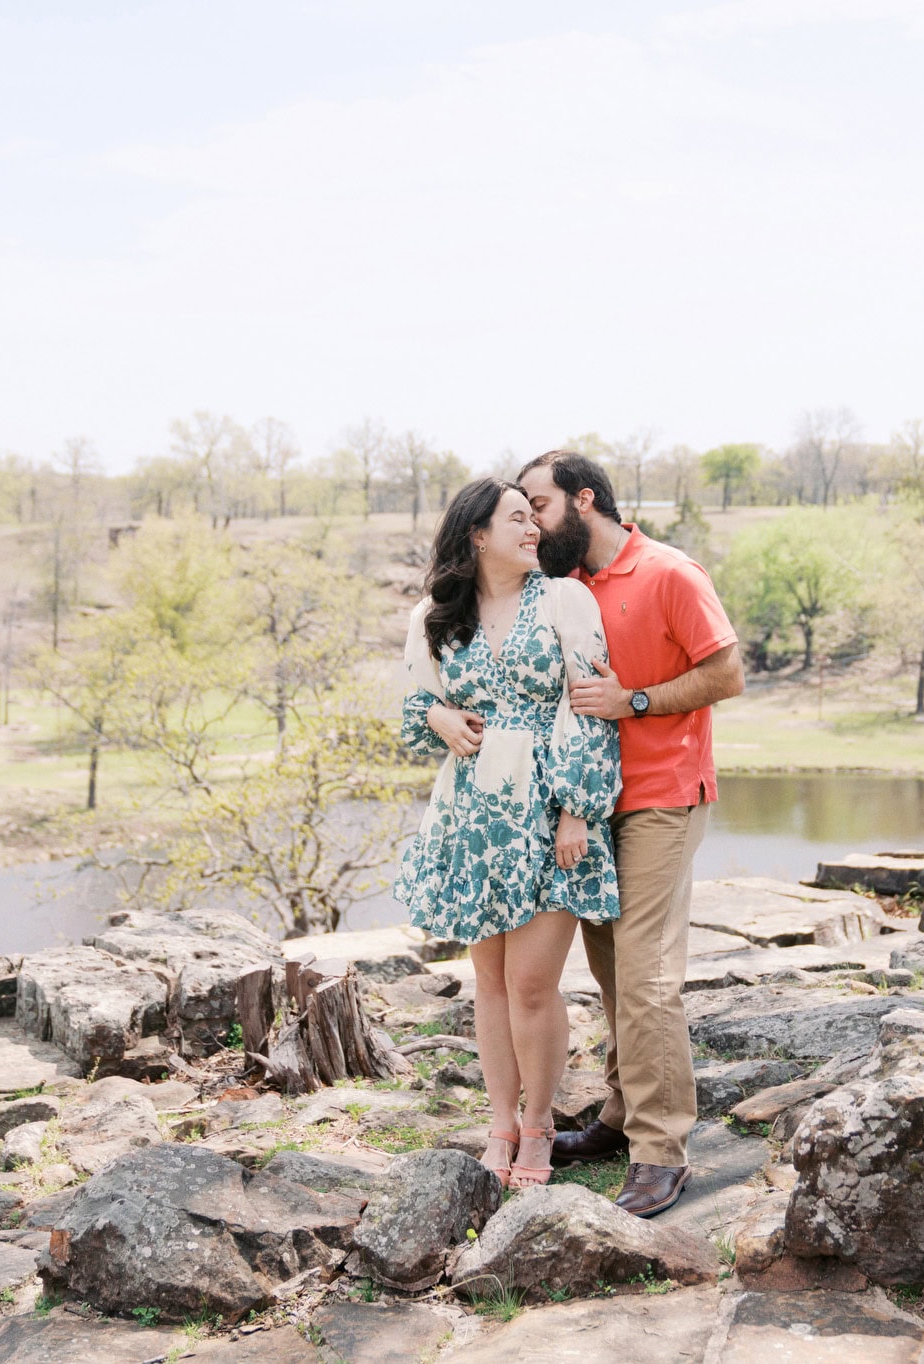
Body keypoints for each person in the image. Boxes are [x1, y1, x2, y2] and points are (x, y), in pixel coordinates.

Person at [517, 449, 744, 1217]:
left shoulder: (671, 573)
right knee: (613, 971)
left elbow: (727, 674)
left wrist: (635, 701)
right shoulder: (562, 587)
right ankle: (619, 1118)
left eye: (539, 506)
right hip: (593, 803)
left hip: (663, 796)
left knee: (648, 977)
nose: (532, 522)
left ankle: (661, 1150)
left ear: (585, 501)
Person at [393, 477, 623, 1189]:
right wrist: (438, 718)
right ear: (477, 535)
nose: (534, 531)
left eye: (535, 517)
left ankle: (540, 1125)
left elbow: (591, 706)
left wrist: (578, 809)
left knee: (530, 983)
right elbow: (412, 706)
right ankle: (499, 1122)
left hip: (551, 810)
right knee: (487, 983)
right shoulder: (436, 614)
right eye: (517, 520)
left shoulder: (563, 599)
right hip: (472, 814)